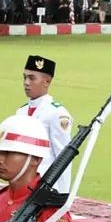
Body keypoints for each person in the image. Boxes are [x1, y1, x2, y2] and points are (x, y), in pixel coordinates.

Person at [16, 55, 73, 193]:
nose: (26, 82)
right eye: (24, 77)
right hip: (22, 182)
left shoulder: (57, 113)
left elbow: (63, 157)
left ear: (46, 81)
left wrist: (62, 195)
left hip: (46, 186)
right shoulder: (21, 111)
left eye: (32, 78)